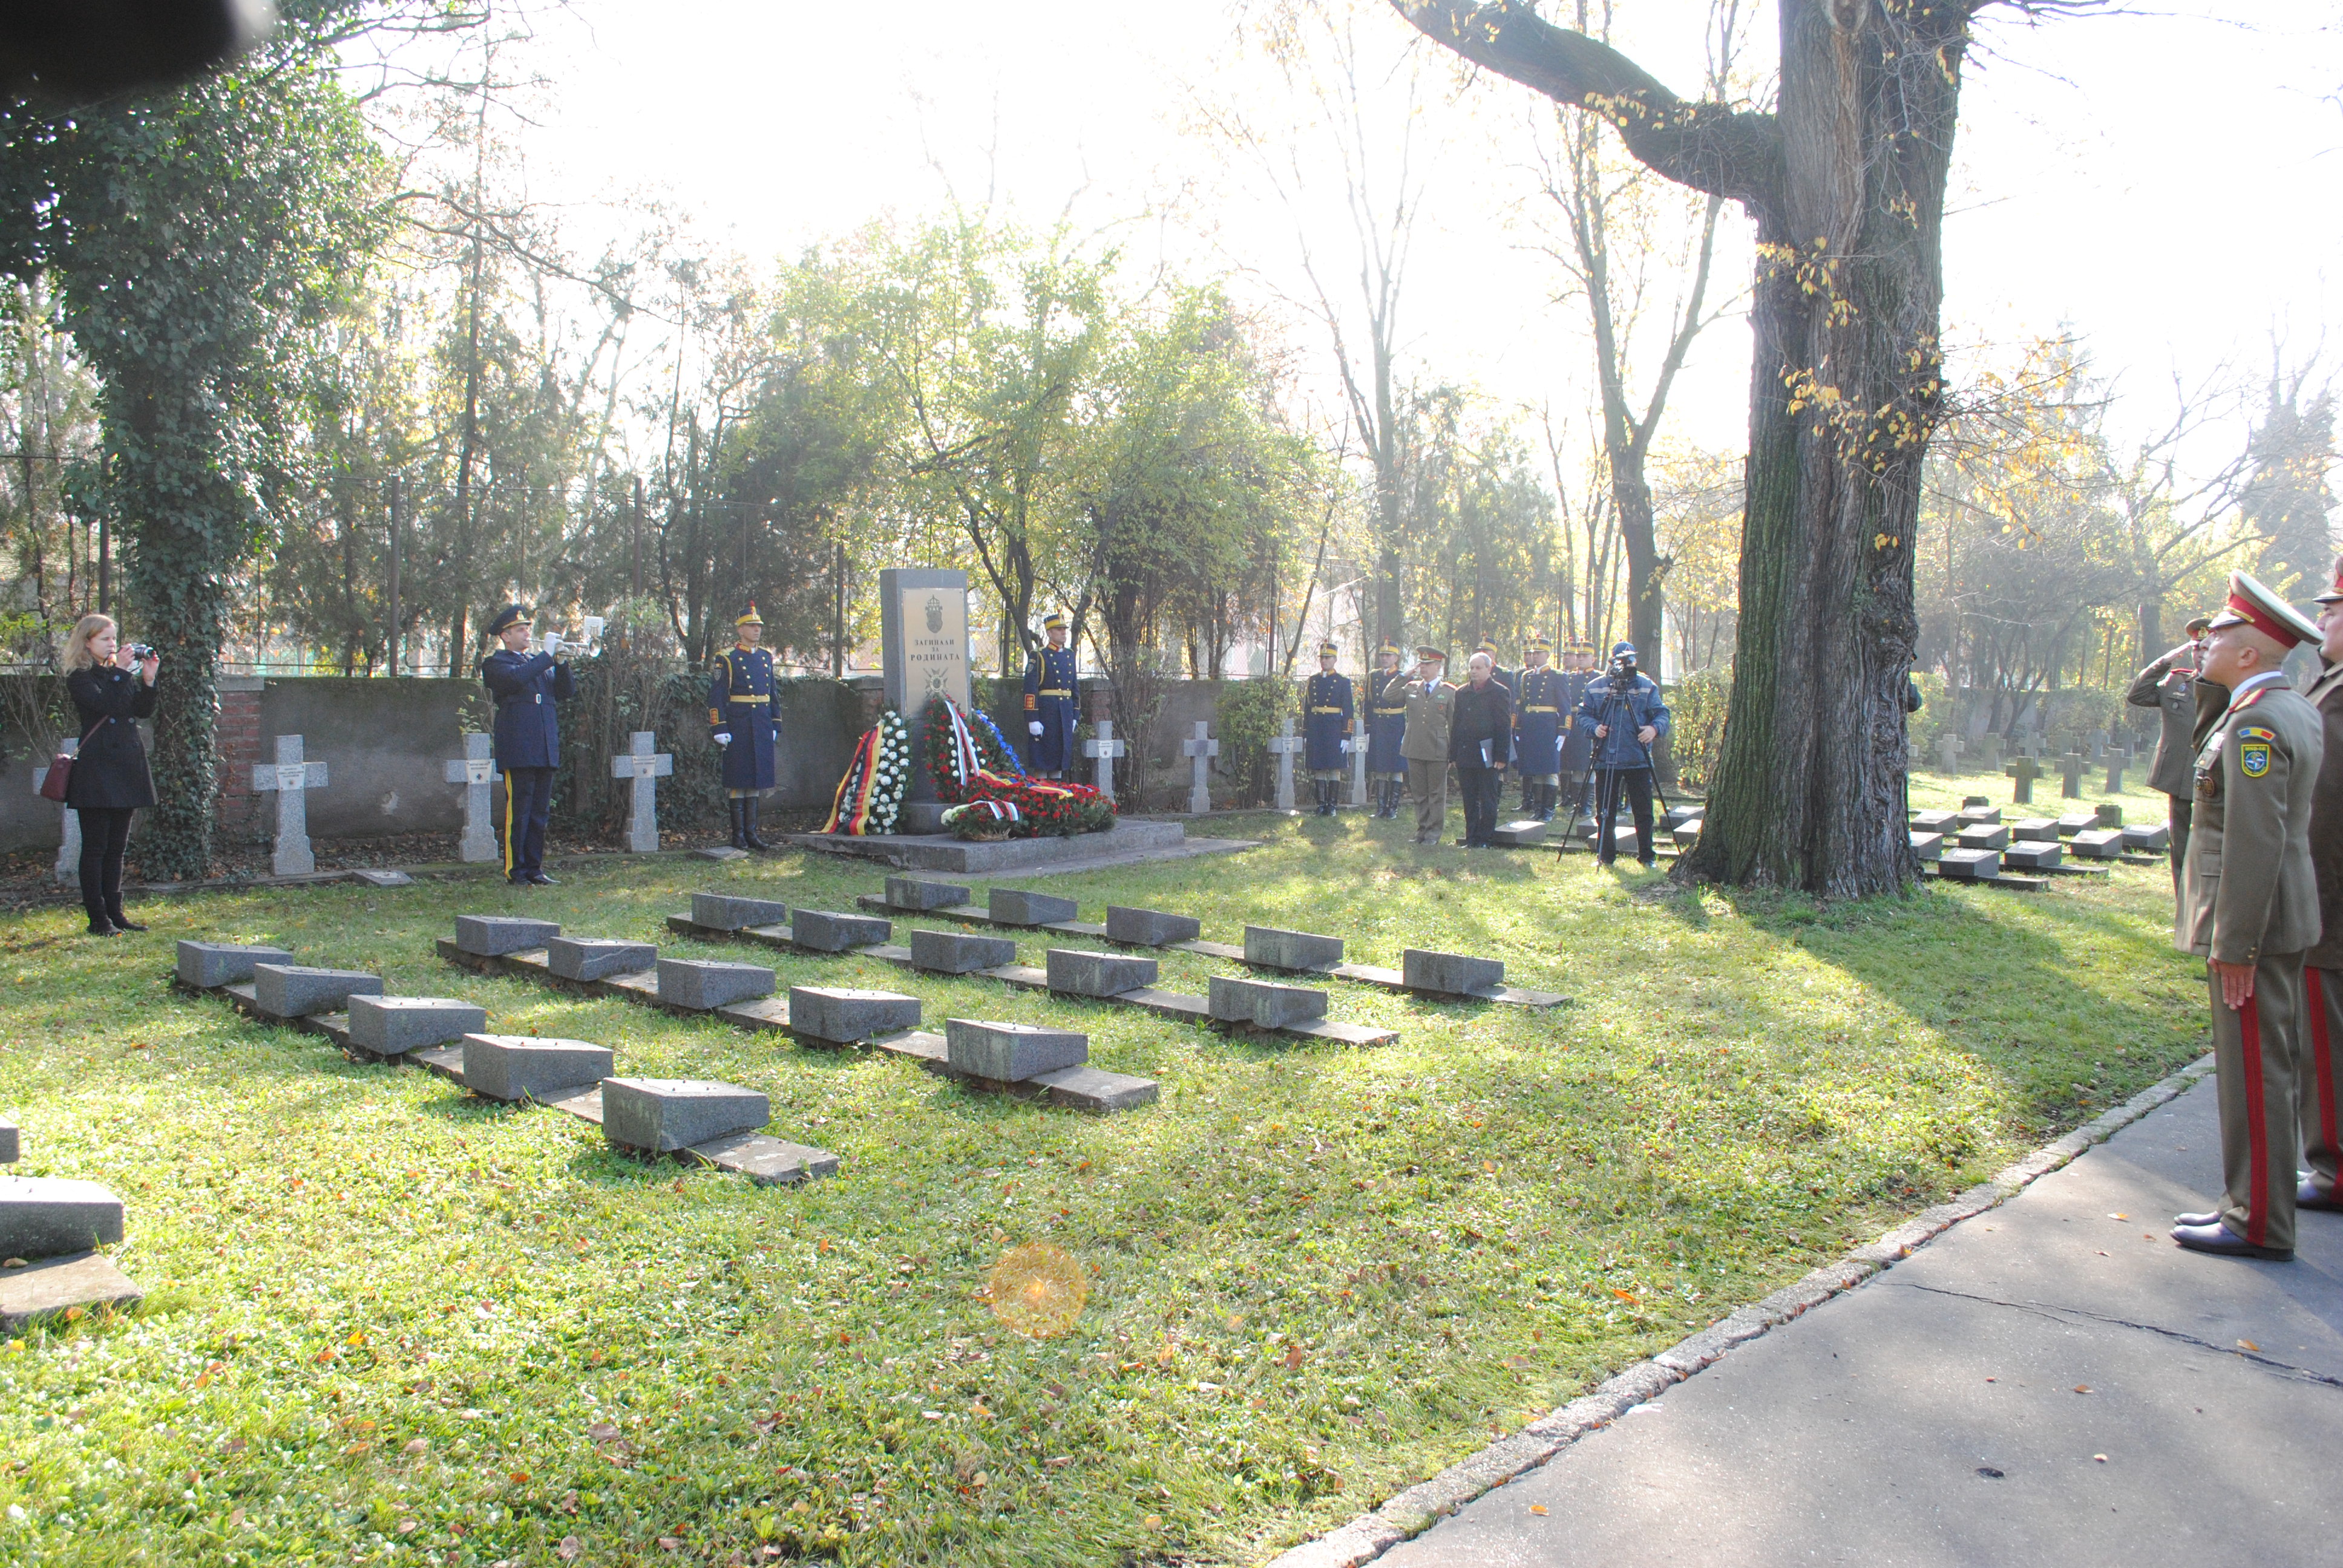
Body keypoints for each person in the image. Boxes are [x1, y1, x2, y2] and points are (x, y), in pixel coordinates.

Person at [2171, 572, 2324, 1261]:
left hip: (2254, 924)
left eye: (2221, 633)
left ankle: (2255, 1221)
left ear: (2249, 651)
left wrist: (2234, 944)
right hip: (2280, 915)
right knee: (2265, 1065)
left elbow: (2254, 839)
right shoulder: (2281, 706)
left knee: (2254, 1072)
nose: (2205, 642)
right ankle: (2251, 1207)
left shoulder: (2258, 721)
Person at [59, 613, 157, 935]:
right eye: (105, 639)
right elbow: (108, 708)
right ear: (87, 642)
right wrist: (120, 674)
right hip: (97, 769)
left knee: (117, 848)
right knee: (96, 847)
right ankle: (98, 920)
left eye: (114, 638)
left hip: (126, 766)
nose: (113, 644)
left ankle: (116, 914)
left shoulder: (118, 674)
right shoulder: (80, 676)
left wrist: (147, 679)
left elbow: (139, 711)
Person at [2295, 560, 2343, 1215]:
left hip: (2328, 903)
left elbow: (2322, 811)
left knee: (2325, 1041)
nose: (2324, 618)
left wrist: (2313, 905)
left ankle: (2334, 1168)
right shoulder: (2327, 684)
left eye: (2332, 610)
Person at [480, 603, 573, 887]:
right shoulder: (497, 663)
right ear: (505, 636)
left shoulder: (538, 663)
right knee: (518, 812)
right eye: (521, 630)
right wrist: (546, 657)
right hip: (519, 747)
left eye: (528, 629)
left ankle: (534, 868)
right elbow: (515, 680)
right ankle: (515, 870)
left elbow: (566, 692)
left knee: (539, 813)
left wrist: (561, 663)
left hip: (544, 746)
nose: (526, 634)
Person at [2128, 613, 2222, 890]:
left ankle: (2208, 894)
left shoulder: (2228, 687)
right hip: (2179, 775)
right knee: (2179, 842)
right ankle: (2184, 898)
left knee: (2212, 841)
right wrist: (2165, 661)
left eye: (2207, 649)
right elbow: (2138, 695)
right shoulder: (2175, 683)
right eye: (2196, 649)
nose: (2200, 656)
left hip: (2215, 777)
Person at [1576, 640, 1671, 868]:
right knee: (1605, 812)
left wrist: (1654, 729)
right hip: (1606, 758)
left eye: (1631, 661)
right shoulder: (1597, 686)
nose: (1628, 666)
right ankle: (1606, 856)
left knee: (1643, 811)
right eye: (1622, 661)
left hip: (1638, 758)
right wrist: (1594, 728)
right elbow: (1583, 715)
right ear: (1612, 663)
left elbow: (1662, 714)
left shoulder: (1647, 686)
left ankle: (1647, 856)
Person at [709, 605, 778, 851]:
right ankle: (737, 835)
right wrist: (719, 727)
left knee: (756, 779)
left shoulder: (766, 656)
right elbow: (717, 695)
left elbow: (773, 693)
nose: (756, 630)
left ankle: (752, 834)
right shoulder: (726, 657)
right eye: (751, 626)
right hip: (738, 723)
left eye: (759, 626)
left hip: (760, 722)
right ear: (740, 630)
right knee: (739, 779)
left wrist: (775, 722)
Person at [1450, 650, 1513, 847]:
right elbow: (1456, 725)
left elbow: (1503, 726)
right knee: (1469, 799)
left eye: (1479, 668)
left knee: (1488, 798)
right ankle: (1471, 838)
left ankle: (1485, 838)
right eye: (1471, 668)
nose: (1474, 672)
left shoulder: (1500, 692)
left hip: (1488, 754)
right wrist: (1453, 755)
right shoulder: (1461, 692)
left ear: (1489, 669)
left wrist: (1502, 756)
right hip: (1466, 753)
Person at [1398, 646, 1455, 845]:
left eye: (1428, 664)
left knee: (1436, 794)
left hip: (1437, 749)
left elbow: (1454, 725)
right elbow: (1388, 697)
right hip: (1415, 747)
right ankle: (1422, 829)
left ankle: (1433, 833)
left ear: (1438, 667)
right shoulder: (1412, 688)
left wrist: (1453, 755)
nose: (1423, 667)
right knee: (1420, 793)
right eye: (1421, 664)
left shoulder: (1448, 692)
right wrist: (1403, 676)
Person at [1513, 633, 1565, 820]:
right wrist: (1518, 728)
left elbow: (1564, 705)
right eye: (1533, 653)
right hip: (1531, 726)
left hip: (1548, 726)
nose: (1534, 656)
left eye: (1539, 653)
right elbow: (1522, 704)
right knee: (1535, 769)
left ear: (1547, 655)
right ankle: (1538, 809)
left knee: (1550, 769)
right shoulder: (1526, 676)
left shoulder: (1557, 676)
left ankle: (1548, 811)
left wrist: (1563, 731)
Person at [1022, 611, 1078, 779]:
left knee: (1059, 759)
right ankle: (1042, 798)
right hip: (1047, 714)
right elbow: (1030, 688)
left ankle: (1056, 798)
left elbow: (1075, 688)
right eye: (1058, 629)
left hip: (1065, 713)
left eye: (1064, 629)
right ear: (1049, 633)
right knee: (1043, 759)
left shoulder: (1069, 655)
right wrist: (1032, 718)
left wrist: (1075, 714)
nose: (1063, 632)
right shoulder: (1039, 656)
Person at [1302, 641, 1355, 817]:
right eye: (1322, 658)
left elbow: (1349, 711)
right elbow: (1307, 709)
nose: (1324, 661)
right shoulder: (1313, 680)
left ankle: (1332, 805)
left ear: (1335, 660)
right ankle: (1321, 804)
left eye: (1328, 658)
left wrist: (1347, 735)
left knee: (1334, 767)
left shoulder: (1343, 681)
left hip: (1334, 727)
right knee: (1319, 767)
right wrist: (1305, 732)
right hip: (1317, 727)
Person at [1365, 642, 1409, 819]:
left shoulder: (1402, 677)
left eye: (1389, 655)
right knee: (1380, 766)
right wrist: (1368, 728)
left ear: (1396, 658)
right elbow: (1367, 704)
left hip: (1396, 723)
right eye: (1382, 655)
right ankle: (1381, 808)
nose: (1384, 658)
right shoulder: (1373, 677)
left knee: (1396, 766)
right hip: (1378, 724)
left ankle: (1393, 808)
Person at [1558, 641, 1596, 787]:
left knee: (1586, 765)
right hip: (1572, 722)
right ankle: (1574, 802)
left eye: (1585, 656)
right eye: (1579, 656)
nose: (1581, 659)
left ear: (1593, 659)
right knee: (1572, 764)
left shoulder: (1597, 677)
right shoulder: (1569, 677)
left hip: (1588, 724)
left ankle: (1585, 805)